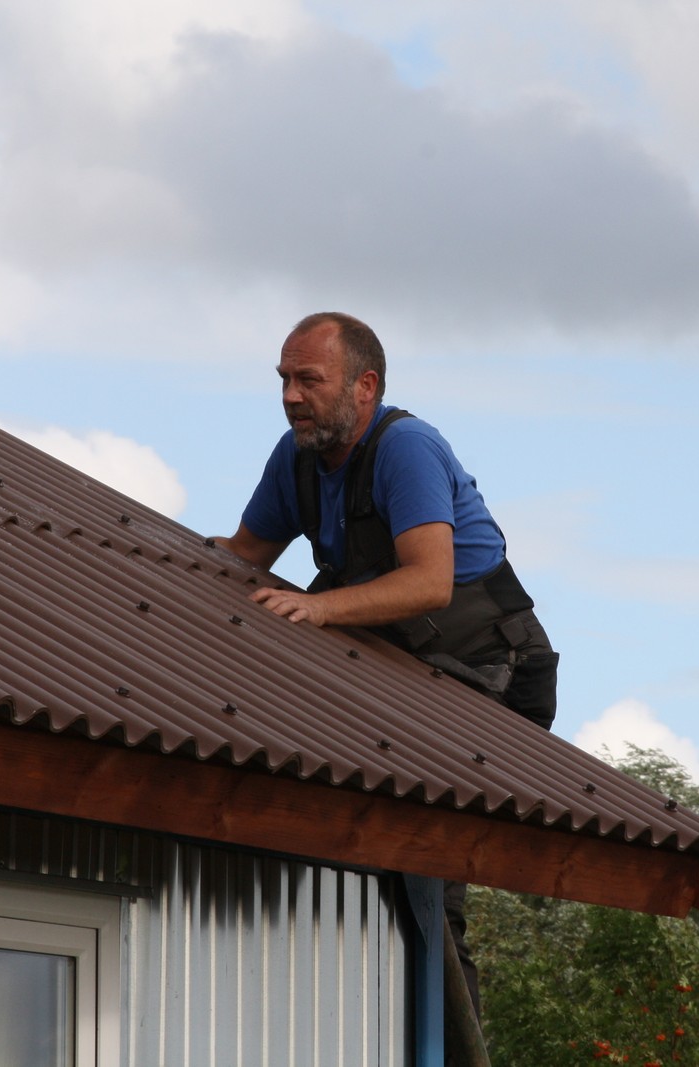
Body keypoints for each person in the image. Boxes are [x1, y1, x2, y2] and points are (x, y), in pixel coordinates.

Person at [213, 311, 559, 1016]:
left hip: (493, 673)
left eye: (309, 380)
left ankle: (449, 1047)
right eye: (284, 379)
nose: (291, 396)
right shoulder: (297, 460)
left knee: (423, 867)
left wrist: (321, 608)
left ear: (364, 386)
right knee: (342, 838)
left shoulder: (407, 448)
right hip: (412, 675)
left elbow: (430, 582)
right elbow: (242, 557)